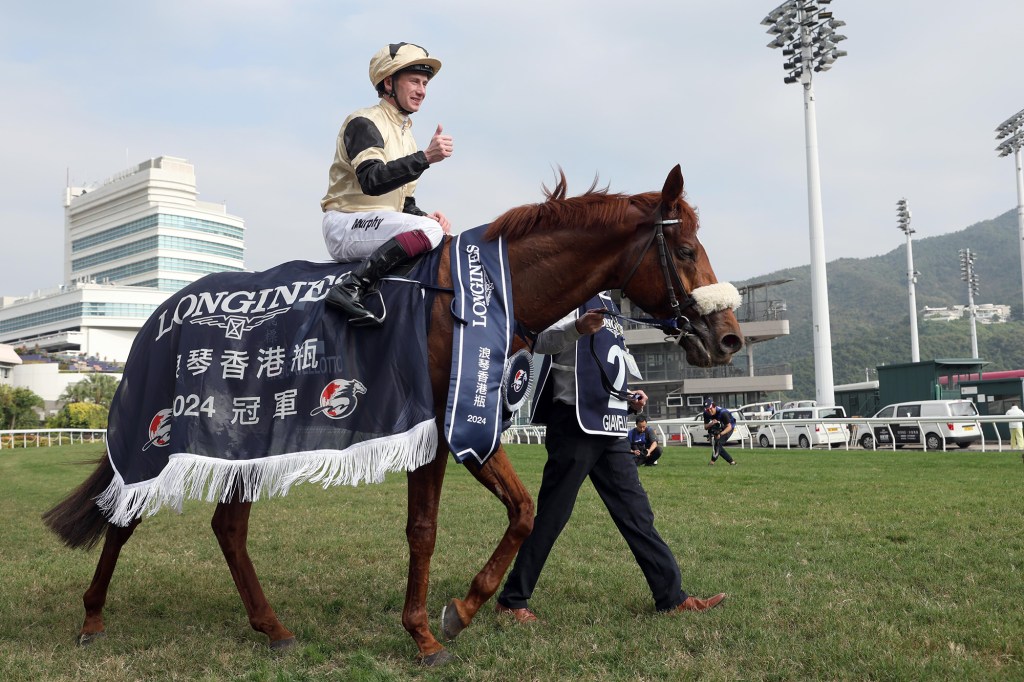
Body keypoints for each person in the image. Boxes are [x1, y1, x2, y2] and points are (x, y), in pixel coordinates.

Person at [494, 297, 726, 623]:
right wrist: (577, 327)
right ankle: (512, 599)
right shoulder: (571, 290)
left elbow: (605, 366)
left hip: (612, 425)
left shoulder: (609, 302)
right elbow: (539, 341)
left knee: (637, 513)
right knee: (552, 516)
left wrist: (628, 398)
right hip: (575, 422)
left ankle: (671, 597)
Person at [320, 42, 454, 326]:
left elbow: (403, 204)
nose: (422, 91)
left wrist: (423, 216)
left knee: (442, 235)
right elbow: (373, 181)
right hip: (345, 223)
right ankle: (351, 287)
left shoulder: (407, 136)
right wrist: (426, 158)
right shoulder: (363, 122)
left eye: (425, 83)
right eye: (414, 81)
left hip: (374, 223)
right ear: (389, 83)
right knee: (429, 232)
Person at [703, 398, 737, 466]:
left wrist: (720, 434)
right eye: (707, 410)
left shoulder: (723, 413)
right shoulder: (706, 413)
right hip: (719, 426)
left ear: (714, 406)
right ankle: (732, 462)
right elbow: (706, 427)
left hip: (728, 427)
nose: (709, 411)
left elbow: (729, 427)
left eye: (710, 408)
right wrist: (711, 423)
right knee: (717, 444)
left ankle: (712, 462)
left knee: (718, 444)